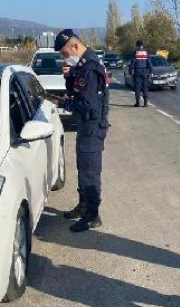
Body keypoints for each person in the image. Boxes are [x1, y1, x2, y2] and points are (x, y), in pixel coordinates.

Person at [54, 29, 110, 233]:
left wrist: (65, 104)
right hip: (86, 127)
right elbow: (75, 91)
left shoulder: (91, 68)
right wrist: (69, 78)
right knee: (83, 168)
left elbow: (88, 105)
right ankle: (83, 205)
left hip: (93, 127)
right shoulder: (82, 67)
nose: (64, 58)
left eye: (65, 53)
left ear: (75, 47)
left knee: (90, 172)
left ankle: (92, 215)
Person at [129, 39, 153, 107]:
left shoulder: (135, 53)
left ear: (137, 45)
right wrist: (151, 71)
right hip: (145, 72)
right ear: (142, 45)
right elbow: (149, 63)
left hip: (137, 72)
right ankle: (145, 103)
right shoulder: (146, 52)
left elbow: (132, 63)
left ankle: (138, 103)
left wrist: (131, 71)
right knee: (145, 87)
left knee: (137, 88)